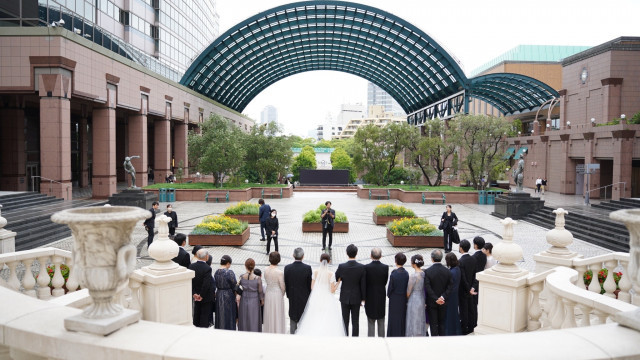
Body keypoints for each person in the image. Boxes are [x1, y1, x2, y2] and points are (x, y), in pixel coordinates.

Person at [295, 253, 345, 336]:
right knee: (327, 318)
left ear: (320, 260)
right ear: (329, 261)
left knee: (315, 316)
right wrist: (338, 283)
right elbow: (332, 290)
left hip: (317, 298)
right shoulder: (331, 274)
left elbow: (312, 287)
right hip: (327, 298)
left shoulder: (315, 272)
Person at [335, 244, 366, 337]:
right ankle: (355, 339)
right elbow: (363, 284)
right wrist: (363, 298)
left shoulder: (342, 266)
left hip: (344, 296)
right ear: (356, 253)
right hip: (357, 297)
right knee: (355, 321)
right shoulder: (361, 267)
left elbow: (337, 278)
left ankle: (345, 338)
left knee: (345, 320)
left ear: (346, 253)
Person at [283, 247, 312, 334]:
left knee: (293, 316)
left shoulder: (287, 268)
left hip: (292, 295)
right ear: (303, 256)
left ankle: (293, 336)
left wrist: (288, 295)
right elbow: (309, 284)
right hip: (304, 296)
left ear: (293, 255)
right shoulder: (307, 268)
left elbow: (286, 282)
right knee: (303, 317)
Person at [424, 249, 452, 337]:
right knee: (442, 323)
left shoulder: (428, 271)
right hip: (444, 302)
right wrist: (442, 297)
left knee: (433, 324)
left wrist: (436, 299)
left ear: (432, 258)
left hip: (432, 302)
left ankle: (434, 341)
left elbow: (428, 288)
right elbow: (450, 286)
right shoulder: (447, 271)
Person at [364, 248, 388, 337]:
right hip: (381, 294)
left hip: (369, 295)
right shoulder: (385, 267)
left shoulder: (366, 267)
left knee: (370, 319)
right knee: (381, 318)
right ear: (381, 256)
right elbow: (385, 281)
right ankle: (382, 338)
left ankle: (371, 340)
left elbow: (365, 283)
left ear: (370, 256)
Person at [189, 249, 215, 328]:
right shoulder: (207, 268)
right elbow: (206, 284)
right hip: (205, 297)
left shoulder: (191, 266)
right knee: (204, 318)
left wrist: (194, 294)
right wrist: (201, 295)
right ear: (206, 257)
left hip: (196, 297)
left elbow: (191, 282)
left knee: (196, 315)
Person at [237, 258, 264, 332]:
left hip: (244, 298)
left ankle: (244, 331)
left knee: (244, 317)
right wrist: (262, 300)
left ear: (245, 266)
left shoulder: (242, 277)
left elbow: (238, 287)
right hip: (254, 299)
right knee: (254, 317)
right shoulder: (257, 278)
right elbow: (260, 291)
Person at [387, 252, 409, 337]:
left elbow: (389, 290)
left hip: (394, 299)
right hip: (403, 298)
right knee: (402, 318)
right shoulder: (406, 273)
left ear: (396, 261)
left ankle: (392, 334)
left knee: (393, 318)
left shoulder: (394, 274)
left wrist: (389, 295)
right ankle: (401, 334)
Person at [458, 239, 477, 335]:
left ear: (461, 248)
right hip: (471, 289)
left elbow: (463, 277)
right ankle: (471, 326)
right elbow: (475, 275)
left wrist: (468, 289)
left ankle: (464, 328)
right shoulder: (473, 259)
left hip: (463, 290)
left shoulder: (460, 261)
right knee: (471, 308)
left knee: (463, 309)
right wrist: (473, 287)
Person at [263, 252, 286, 334]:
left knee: (269, 312)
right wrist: (282, 293)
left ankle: (269, 330)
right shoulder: (279, 272)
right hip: (277, 293)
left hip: (268, 292)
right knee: (277, 313)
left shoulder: (265, 270)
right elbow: (282, 286)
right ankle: (277, 330)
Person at [214, 255, 237, 330]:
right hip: (228, 295)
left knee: (220, 313)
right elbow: (234, 284)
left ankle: (220, 328)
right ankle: (229, 329)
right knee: (229, 314)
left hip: (219, 294)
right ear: (228, 263)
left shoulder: (216, 272)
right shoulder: (229, 272)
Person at [405, 254, 426, 337]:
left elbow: (408, 292)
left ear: (414, 264)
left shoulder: (413, 276)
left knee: (412, 319)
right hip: (421, 297)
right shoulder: (424, 274)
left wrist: (406, 297)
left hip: (413, 299)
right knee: (420, 319)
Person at [471, 236, 487, 330]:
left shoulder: (474, 257)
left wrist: (473, 286)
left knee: (473, 306)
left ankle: (474, 323)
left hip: (474, 282)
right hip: (480, 282)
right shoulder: (484, 255)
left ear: (475, 245)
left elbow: (474, 272)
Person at [444, 252, 462, 336]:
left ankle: (450, 331)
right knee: (454, 313)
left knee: (450, 314)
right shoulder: (457, 269)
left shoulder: (451, 272)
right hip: (455, 295)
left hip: (450, 296)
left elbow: (448, 286)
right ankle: (456, 330)